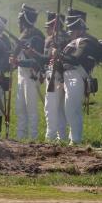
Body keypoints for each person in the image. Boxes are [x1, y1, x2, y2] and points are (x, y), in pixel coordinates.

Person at [61, 8, 102, 144]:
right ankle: (74, 139)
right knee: (70, 110)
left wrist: (59, 55)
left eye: (72, 31)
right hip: (69, 77)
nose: (70, 34)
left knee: (72, 110)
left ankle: (76, 140)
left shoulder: (85, 42)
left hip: (76, 77)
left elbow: (75, 59)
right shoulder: (74, 42)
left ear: (78, 30)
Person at [12, 5, 45, 140]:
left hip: (31, 75)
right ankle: (21, 137)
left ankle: (33, 138)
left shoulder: (37, 36)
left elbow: (35, 61)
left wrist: (17, 62)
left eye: (21, 21)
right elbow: (16, 55)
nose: (19, 24)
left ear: (25, 21)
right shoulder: (23, 36)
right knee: (20, 109)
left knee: (31, 109)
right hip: (21, 75)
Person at [42, 11, 69, 142]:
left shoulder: (53, 39)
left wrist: (32, 54)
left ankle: (50, 136)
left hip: (54, 75)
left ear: (54, 25)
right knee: (59, 109)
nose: (47, 29)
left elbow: (46, 59)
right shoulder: (67, 38)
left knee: (50, 108)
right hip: (63, 76)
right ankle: (62, 137)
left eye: (49, 26)